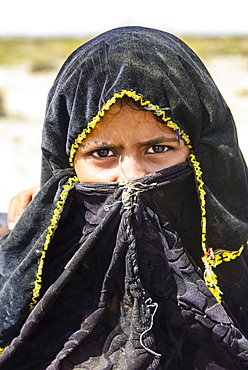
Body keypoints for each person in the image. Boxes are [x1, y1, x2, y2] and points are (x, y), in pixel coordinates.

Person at [0, 26, 248, 369]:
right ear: (66, 165)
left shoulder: (238, 253)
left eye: (157, 148)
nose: (132, 177)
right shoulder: (33, 258)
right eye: (102, 153)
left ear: (205, 154)